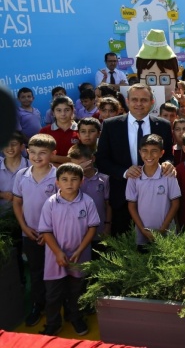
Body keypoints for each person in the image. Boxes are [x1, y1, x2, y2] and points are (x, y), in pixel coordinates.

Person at [95, 84, 175, 236]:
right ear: (127, 101)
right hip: (122, 197)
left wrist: (168, 164)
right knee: (124, 249)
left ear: (152, 102)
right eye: (135, 100)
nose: (139, 104)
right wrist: (124, 172)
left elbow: (168, 155)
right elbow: (102, 160)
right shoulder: (111, 125)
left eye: (144, 100)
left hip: (156, 198)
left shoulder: (163, 125)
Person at [38, 163, 100, 336]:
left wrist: (80, 250)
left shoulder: (87, 201)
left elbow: (92, 228)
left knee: (76, 291)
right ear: (57, 182)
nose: (69, 183)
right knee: (53, 294)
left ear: (81, 181)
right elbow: (46, 231)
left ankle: (75, 318)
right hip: (55, 258)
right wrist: (58, 252)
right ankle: (53, 323)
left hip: (79, 257)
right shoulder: (50, 203)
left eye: (74, 179)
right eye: (64, 179)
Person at [12, 134, 58, 327]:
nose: (37, 157)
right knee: (36, 271)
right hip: (30, 233)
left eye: (43, 153)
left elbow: (63, 208)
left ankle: (55, 307)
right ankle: (38, 305)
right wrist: (24, 227)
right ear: (27, 152)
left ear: (53, 154)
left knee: (56, 273)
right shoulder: (21, 175)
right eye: (33, 153)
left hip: (55, 236)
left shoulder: (58, 176)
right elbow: (17, 202)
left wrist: (49, 233)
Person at [126, 134, 181, 249]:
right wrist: (142, 230)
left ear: (162, 153)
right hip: (142, 234)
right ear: (140, 152)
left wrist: (162, 229)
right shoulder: (134, 176)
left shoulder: (168, 174)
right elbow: (131, 206)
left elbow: (175, 204)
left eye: (154, 151)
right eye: (145, 151)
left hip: (166, 232)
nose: (149, 155)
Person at [67, 144, 111, 255]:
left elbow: (108, 204)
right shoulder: (71, 182)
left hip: (100, 230)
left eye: (81, 163)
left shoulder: (104, 179)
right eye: (75, 165)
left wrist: (108, 225)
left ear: (92, 159)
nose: (78, 168)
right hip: (78, 232)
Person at [39, 96, 78, 165]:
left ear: (72, 111)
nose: (63, 114)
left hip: (76, 172)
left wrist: (54, 158)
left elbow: (82, 159)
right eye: (58, 110)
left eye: (67, 110)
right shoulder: (44, 132)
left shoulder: (81, 130)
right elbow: (40, 157)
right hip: (51, 173)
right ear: (53, 113)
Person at [0, 132, 29, 213]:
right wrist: (2, 194)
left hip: (26, 215)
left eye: (14, 144)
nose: (10, 148)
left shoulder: (32, 166)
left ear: (22, 147)